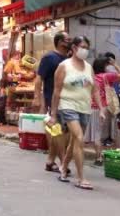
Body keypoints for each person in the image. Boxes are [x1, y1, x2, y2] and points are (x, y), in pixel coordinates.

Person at [48, 36, 104, 190]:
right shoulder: (64, 66)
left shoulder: (88, 67)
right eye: (82, 46)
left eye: (87, 47)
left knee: (75, 141)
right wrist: (53, 114)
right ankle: (81, 178)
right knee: (79, 138)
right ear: (73, 48)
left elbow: (95, 90)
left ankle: (63, 167)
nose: (85, 50)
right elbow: (56, 91)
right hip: (67, 106)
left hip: (84, 108)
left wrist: (101, 109)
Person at [34, 31, 72, 174]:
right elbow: (39, 79)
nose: (70, 42)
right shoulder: (49, 58)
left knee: (65, 133)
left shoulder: (69, 59)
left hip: (68, 100)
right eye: (68, 40)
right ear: (60, 42)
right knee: (58, 132)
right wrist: (38, 98)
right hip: (53, 100)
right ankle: (62, 162)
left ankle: (50, 160)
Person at [95, 56, 120, 147]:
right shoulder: (106, 76)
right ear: (104, 66)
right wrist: (115, 64)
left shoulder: (93, 76)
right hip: (107, 105)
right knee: (114, 130)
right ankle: (118, 150)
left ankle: (99, 156)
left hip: (95, 106)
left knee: (98, 132)